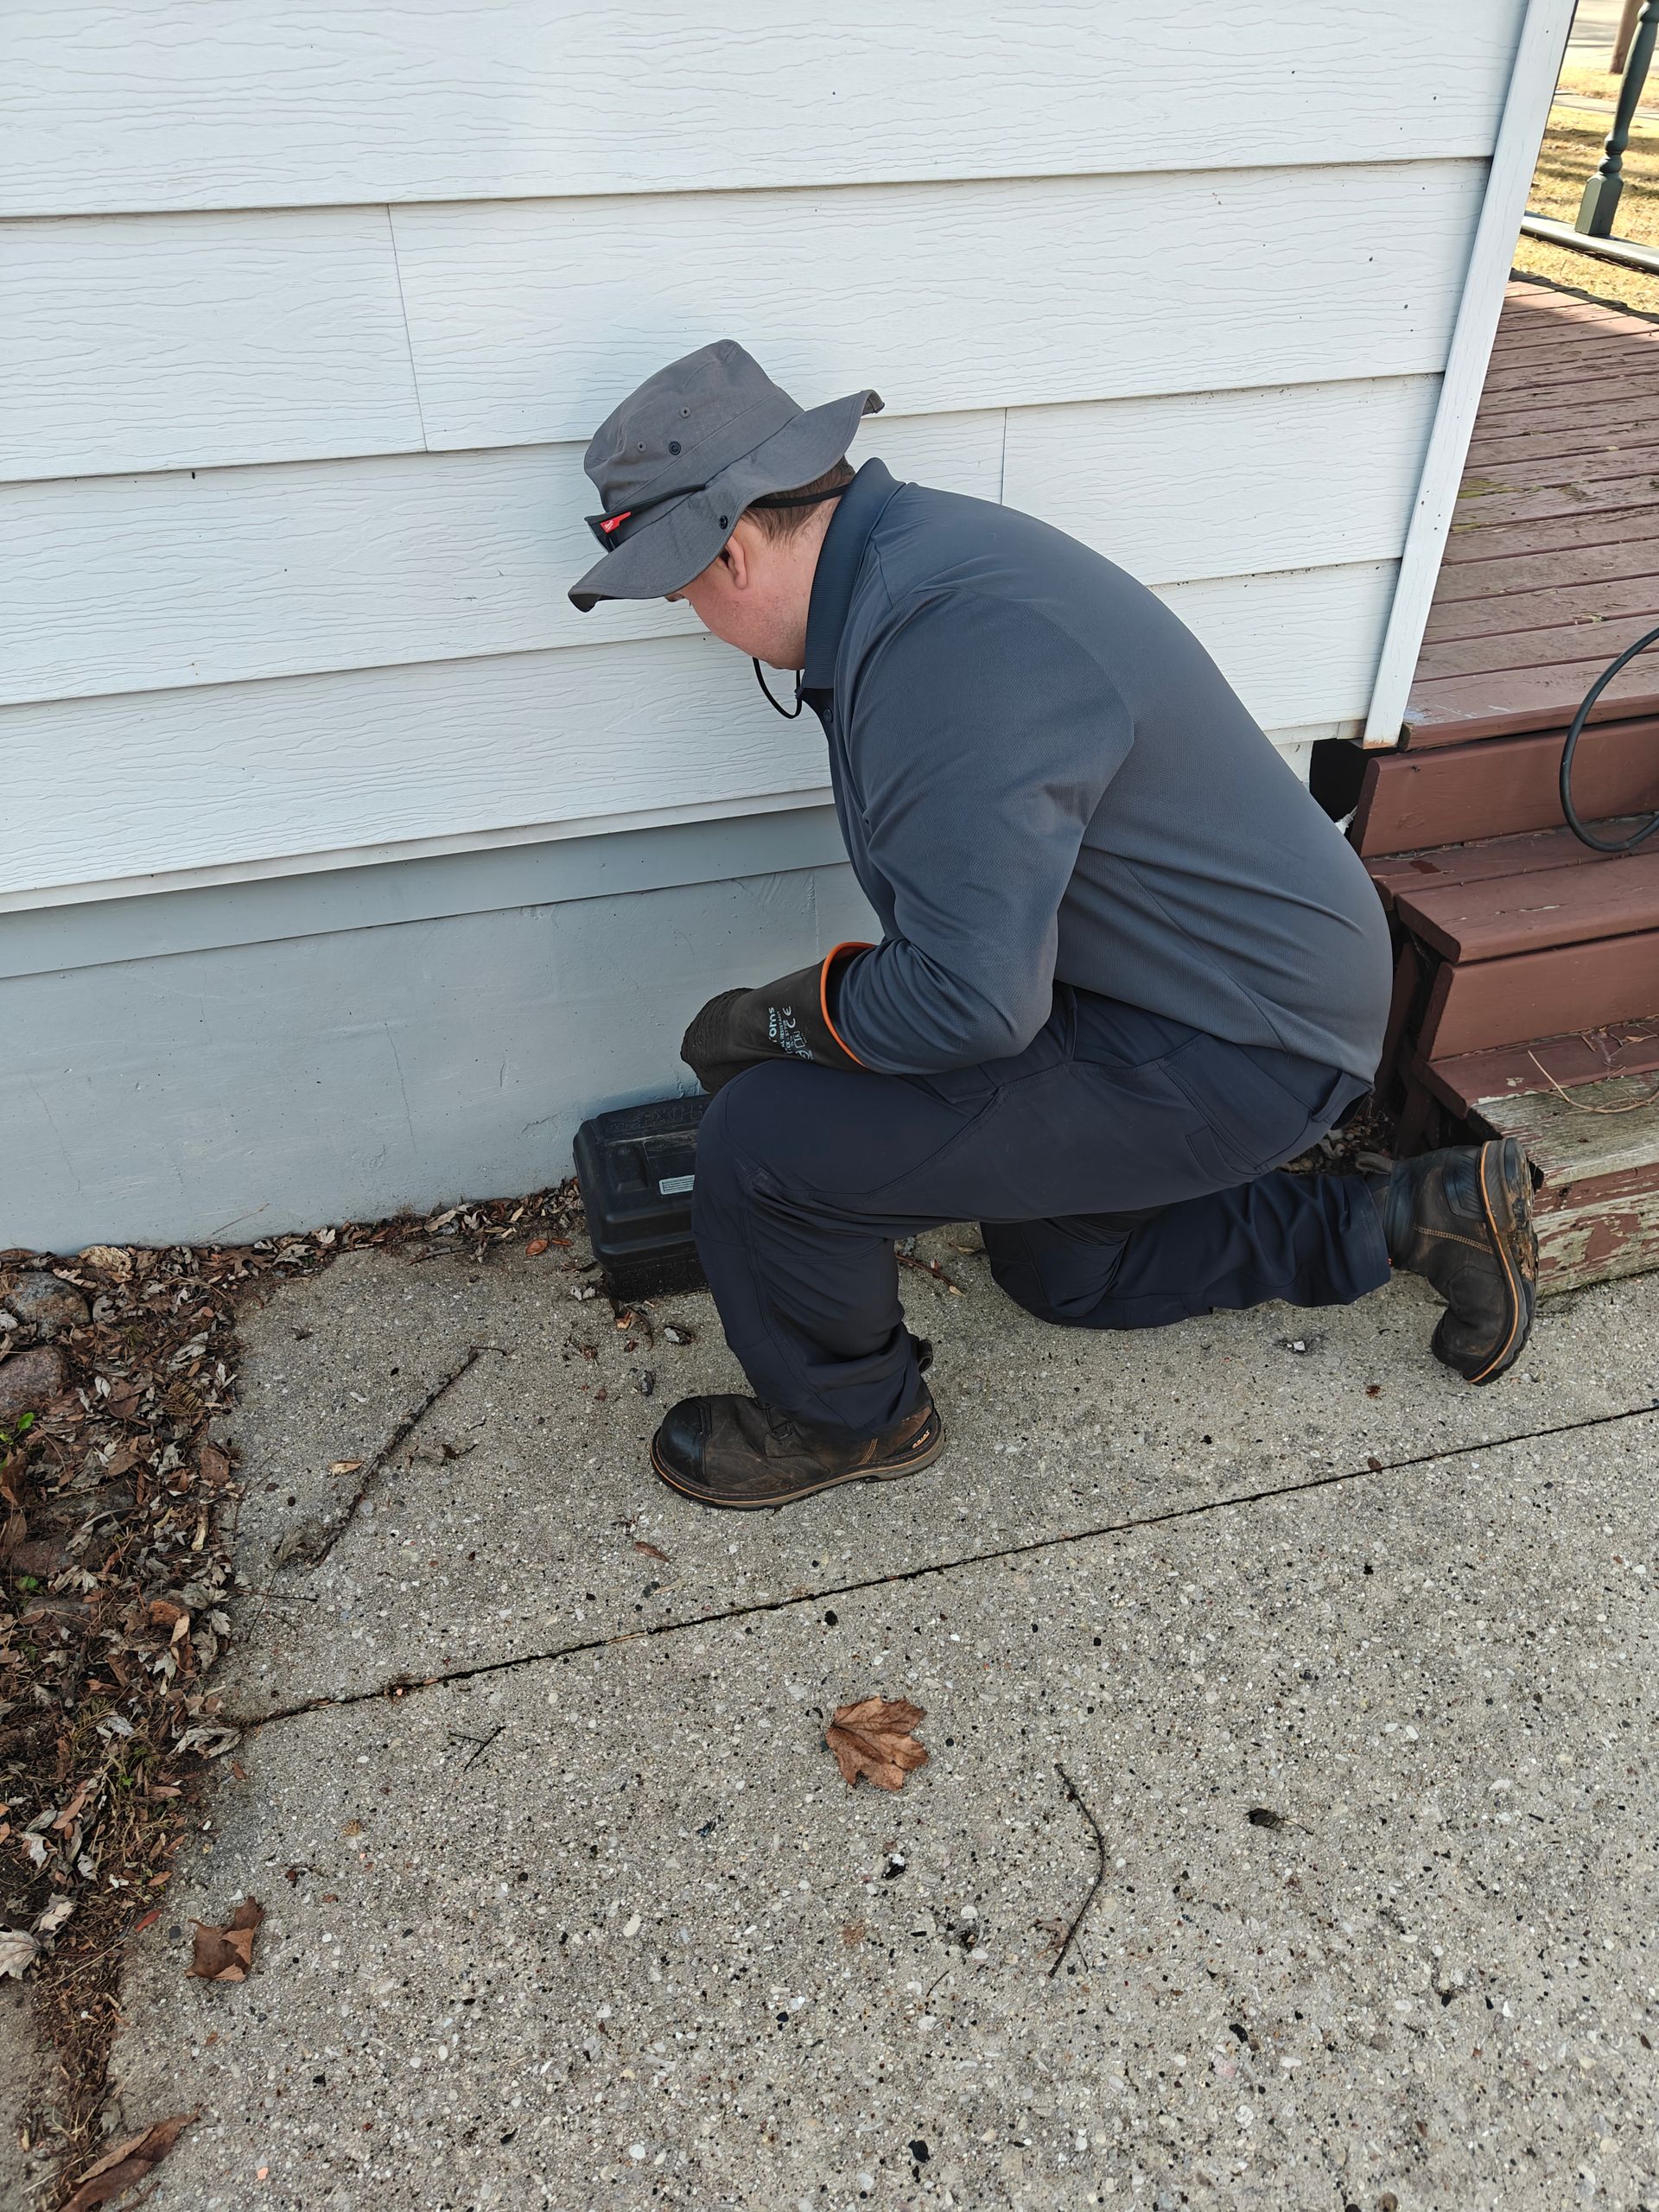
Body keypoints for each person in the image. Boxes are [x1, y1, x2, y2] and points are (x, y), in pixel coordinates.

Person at [569, 342, 1536, 1511]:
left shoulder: (946, 645)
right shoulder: (912, 567)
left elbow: (968, 1003)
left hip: (1244, 1039)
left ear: (729, 553)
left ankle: (848, 1422)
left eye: (681, 593)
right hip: (1201, 986)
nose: (694, 619)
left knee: (762, 1147)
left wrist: (774, 1022)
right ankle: (1419, 1219)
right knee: (1064, 1271)